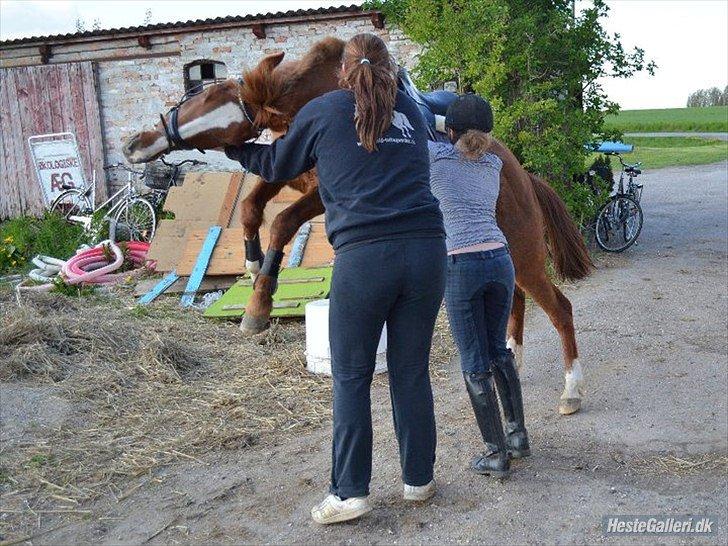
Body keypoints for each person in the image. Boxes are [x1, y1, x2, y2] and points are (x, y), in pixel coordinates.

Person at [224, 33, 446, 524]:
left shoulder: (324, 111)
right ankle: (419, 480)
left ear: (342, 72)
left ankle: (349, 493)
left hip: (367, 260)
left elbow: (277, 164)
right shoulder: (415, 115)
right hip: (428, 254)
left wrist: (235, 147)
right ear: (390, 71)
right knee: (410, 372)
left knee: (351, 376)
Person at [428, 94, 530, 478]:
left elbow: (422, 122)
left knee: (473, 362)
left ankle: (495, 453)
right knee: (498, 351)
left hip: (462, 263)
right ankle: (517, 437)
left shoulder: (435, 159)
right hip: (500, 260)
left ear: (450, 131)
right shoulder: (494, 163)